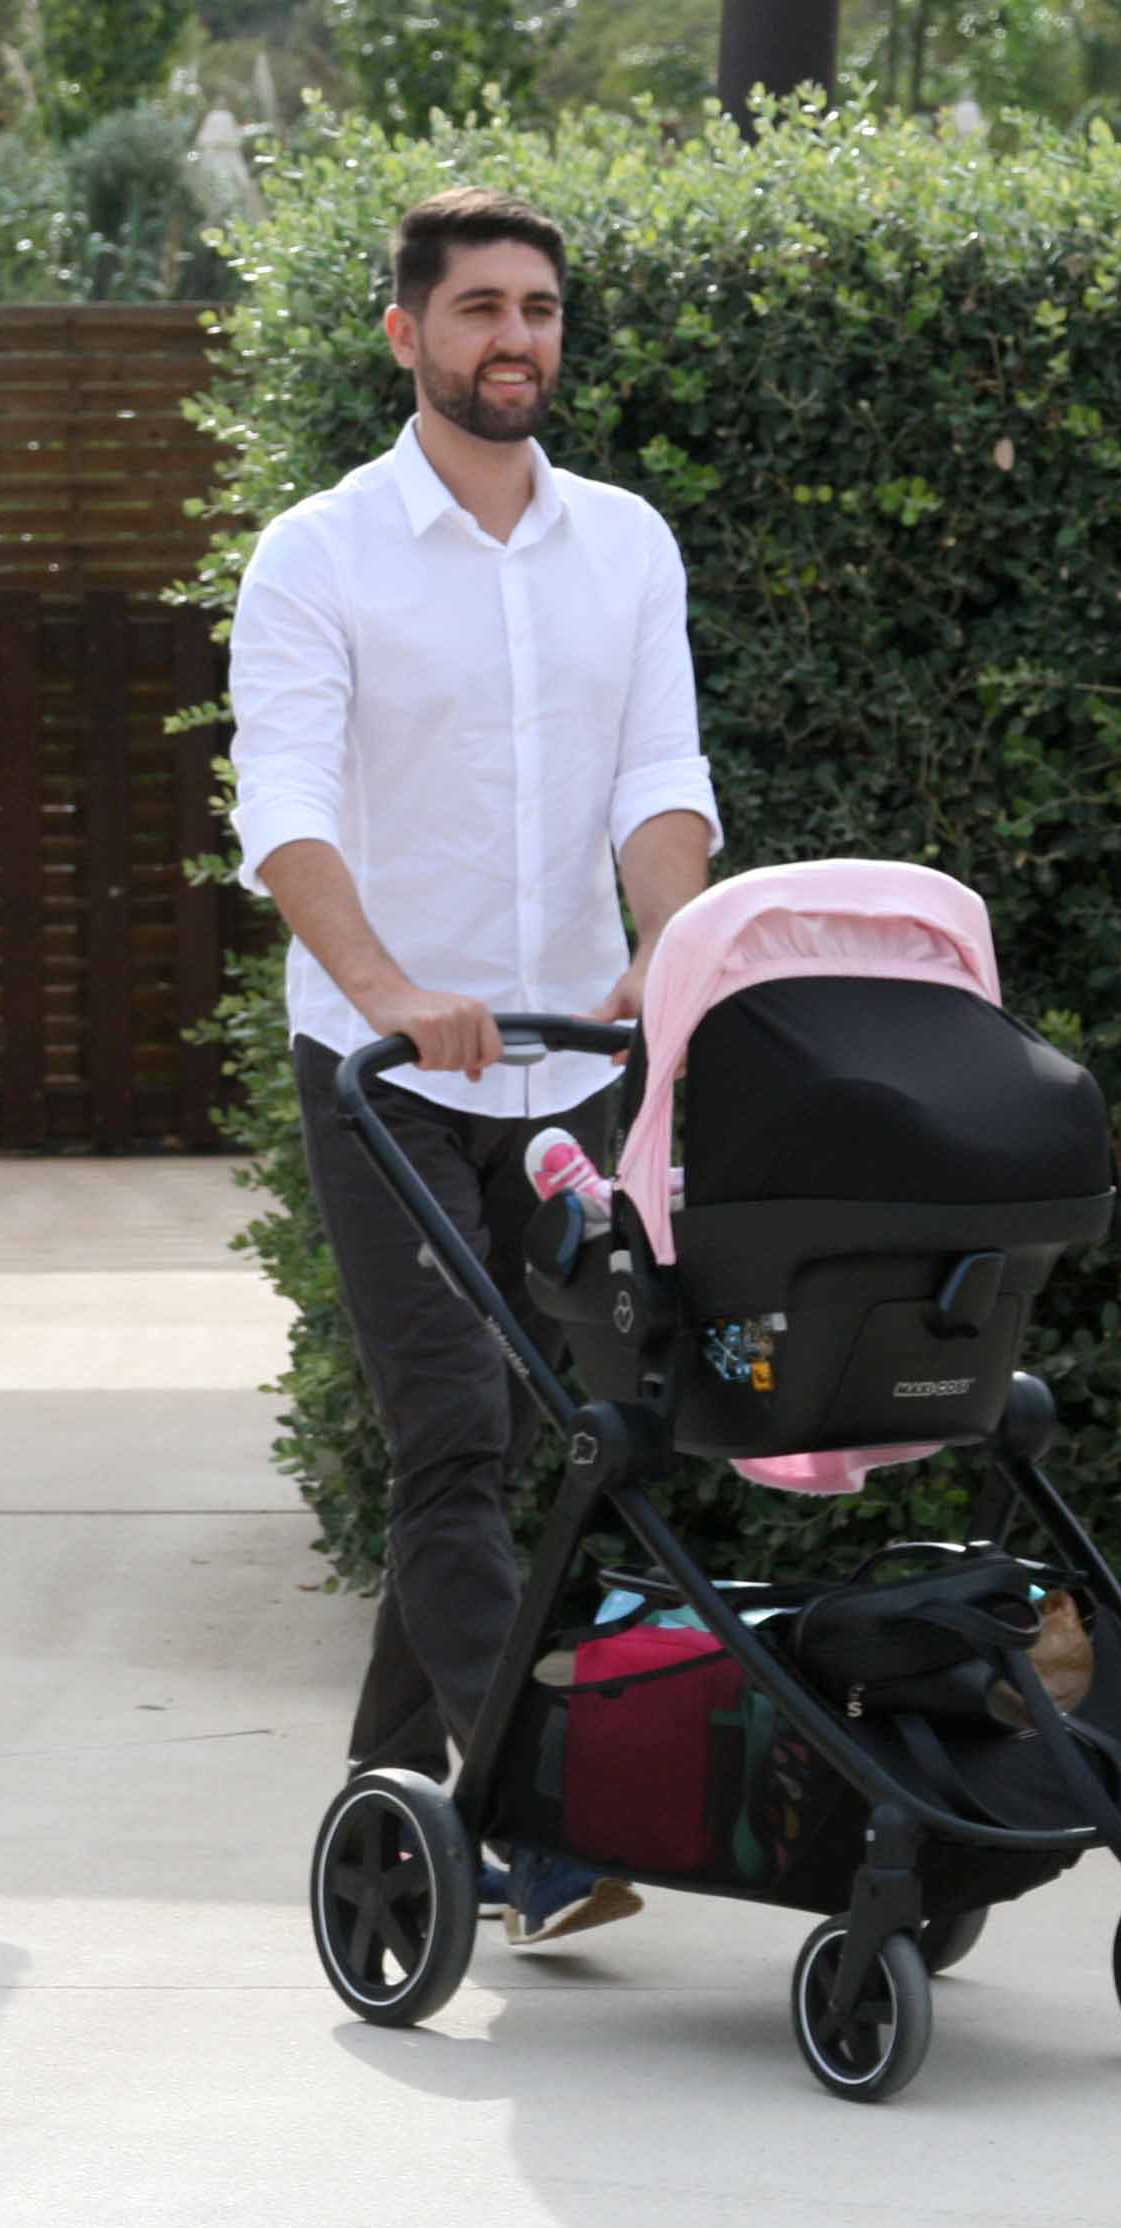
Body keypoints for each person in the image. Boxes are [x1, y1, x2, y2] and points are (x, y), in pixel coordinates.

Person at [226, 188, 719, 1947]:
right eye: (478, 309)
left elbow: (656, 775)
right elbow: (282, 798)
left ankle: (394, 1793)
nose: (515, 338)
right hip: (384, 1072)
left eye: (538, 309)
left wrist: (665, 945)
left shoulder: (623, 545)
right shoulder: (318, 554)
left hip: (566, 1067)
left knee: (525, 1435)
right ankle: (541, 1820)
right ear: (405, 335)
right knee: (447, 1429)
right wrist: (383, 986)